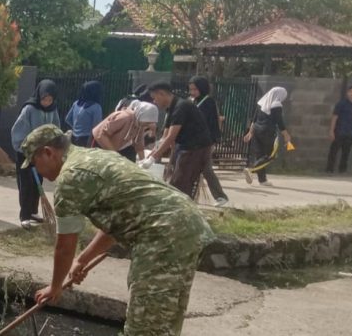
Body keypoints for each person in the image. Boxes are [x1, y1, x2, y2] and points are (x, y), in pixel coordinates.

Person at [22, 124, 214, 335]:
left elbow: (65, 247)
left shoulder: (70, 179)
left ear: (48, 152)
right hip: (187, 224)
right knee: (164, 323)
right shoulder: (96, 157)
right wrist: (83, 260)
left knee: (144, 327)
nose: (37, 171)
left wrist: (55, 286)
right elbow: (116, 224)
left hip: (162, 234)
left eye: (34, 163)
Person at [146, 82, 215, 198]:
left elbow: (170, 138)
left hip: (196, 148)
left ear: (161, 94)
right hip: (186, 147)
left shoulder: (181, 107)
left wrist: (153, 158)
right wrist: (151, 155)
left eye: (154, 98)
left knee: (179, 184)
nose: (154, 102)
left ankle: (182, 211)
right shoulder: (171, 108)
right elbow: (164, 137)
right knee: (178, 182)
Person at [11, 79, 61, 228]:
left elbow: (55, 129)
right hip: (26, 153)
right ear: (39, 96)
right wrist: (27, 149)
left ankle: (33, 211)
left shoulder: (53, 110)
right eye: (44, 99)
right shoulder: (29, 109)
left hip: (42, 155)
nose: (46, 102)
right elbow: (18, 131)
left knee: (37, 183)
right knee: (26, 184)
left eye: (50, 99)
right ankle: (24, 215)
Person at [188, 76, 229, 206]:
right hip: (192, 142)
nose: (192, 92)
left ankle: (220, 197)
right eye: (191, 89)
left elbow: (211, 124)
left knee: (206, 170)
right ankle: (190, 196)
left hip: (205, 143)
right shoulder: (193, 101)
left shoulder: (208, 102)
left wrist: (212, 142)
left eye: (195, 89)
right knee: (190, 169)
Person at [243, 87, 292, 186]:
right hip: (267, 132)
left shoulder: (261, 102)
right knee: (271, 155)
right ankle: (251, 169)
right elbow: (280, 122)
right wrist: (286, 135)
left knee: (260, 155)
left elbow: (254, 119)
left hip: (257, 131)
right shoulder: (276, 105)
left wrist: (250, 133)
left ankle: (262, 180)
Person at [93, 100, 159, 162]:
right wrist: (114, 155)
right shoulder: (124, 117)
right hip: (98, 142)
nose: (147, 125)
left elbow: (139, 143)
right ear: (142, 115)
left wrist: (143, 161)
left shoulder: (139, 124)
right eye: (147, 122)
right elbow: (102, 134)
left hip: (113, 147)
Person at [327, 86, 352, 174]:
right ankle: (329, 170)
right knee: (333, 151)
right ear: (347, 93)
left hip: (350, 133)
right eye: (351, 92)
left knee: (346, 153)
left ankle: (342, 170)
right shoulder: (341, 104)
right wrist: (331, 131)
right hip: (339, 131)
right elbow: (334, 117)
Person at [65, 81, 103, 147]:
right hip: (87, 139)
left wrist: (76, 129)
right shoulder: (96, 107)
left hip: (73, 138)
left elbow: (67, 119)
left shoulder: (76, 103)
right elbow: (97, 127)